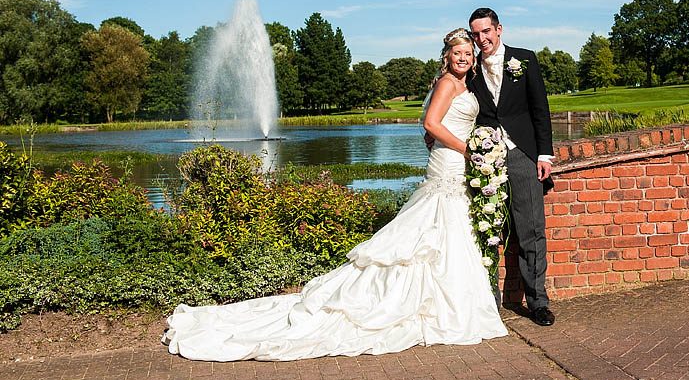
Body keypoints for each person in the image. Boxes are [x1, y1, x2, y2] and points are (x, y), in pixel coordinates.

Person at [162, 28, 506, 361]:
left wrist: (478, 145)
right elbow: (432, 123)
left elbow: (440, 126)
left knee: (449, 231)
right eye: (456, 53)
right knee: (436, 229)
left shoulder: (464, 83)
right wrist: (468, 149)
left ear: (472, 58)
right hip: (452, 161)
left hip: (456, 162)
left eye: (467, 53)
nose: (462, 58)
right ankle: (444, 308)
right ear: (446, 57)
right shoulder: (448, 83)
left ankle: (451, 303)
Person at [467, 8, 555, 327]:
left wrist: (544, 155)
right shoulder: (468, 67)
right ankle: (488, 302)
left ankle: (538, 302)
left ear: (499, 29)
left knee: (531, 230)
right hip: (487, 159)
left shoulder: (525, 59)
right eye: (475, 34)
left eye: (486, 32)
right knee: (488, 231)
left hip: (523, 155)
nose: (481, 39)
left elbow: (540, 110)